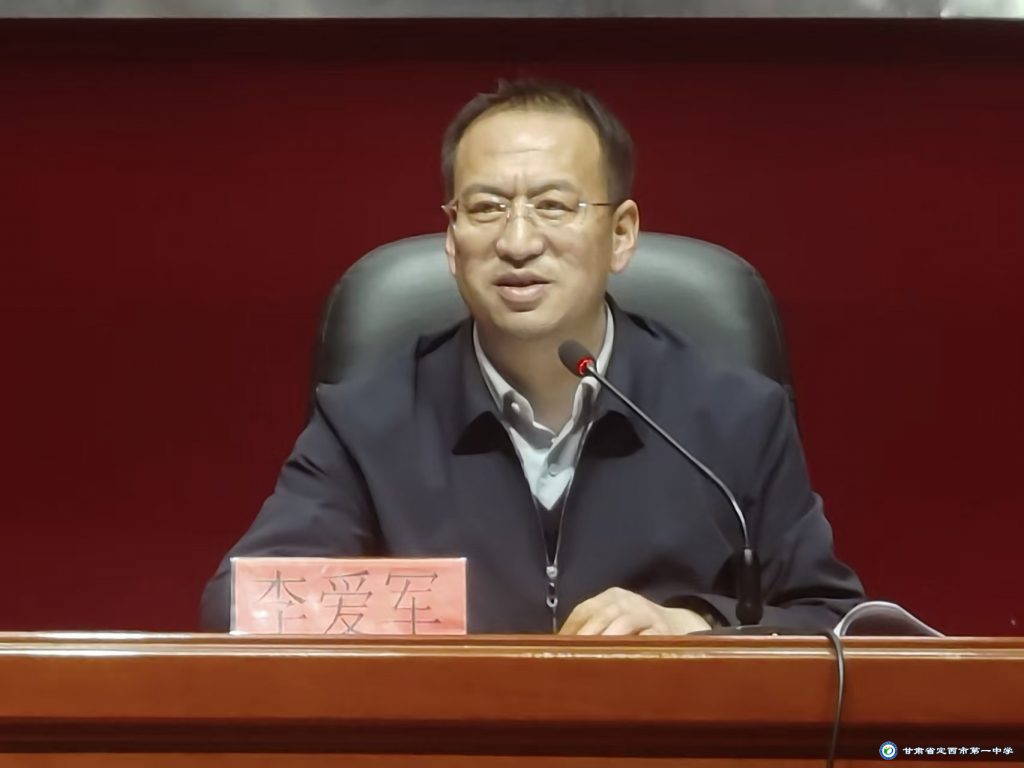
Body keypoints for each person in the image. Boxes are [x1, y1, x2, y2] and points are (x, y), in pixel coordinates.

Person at [200, 80, 864, 635]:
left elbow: (837, 620)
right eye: (486, 208)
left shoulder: (736, 416)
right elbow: (237, 606)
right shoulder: (367, 422)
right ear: (452, 239)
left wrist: (695, 624)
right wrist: (424, 613)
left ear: (621, 234)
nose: (518, 242)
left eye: (552, 206)